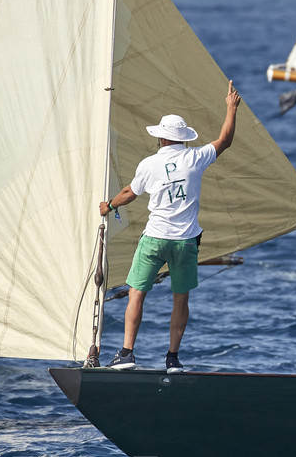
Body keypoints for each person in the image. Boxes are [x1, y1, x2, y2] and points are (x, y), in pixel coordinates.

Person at [98, 81, 241, 370]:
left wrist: (109, 205)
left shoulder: (148, 164)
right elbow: (225, 140)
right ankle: (173, 358)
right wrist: (230, 107)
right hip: (185, 242)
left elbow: (129, 194)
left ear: (162, 139)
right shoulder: (196, 157)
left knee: (137, 293)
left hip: (154, 239)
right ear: (183, 139)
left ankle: (127, 354)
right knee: (180, 299)